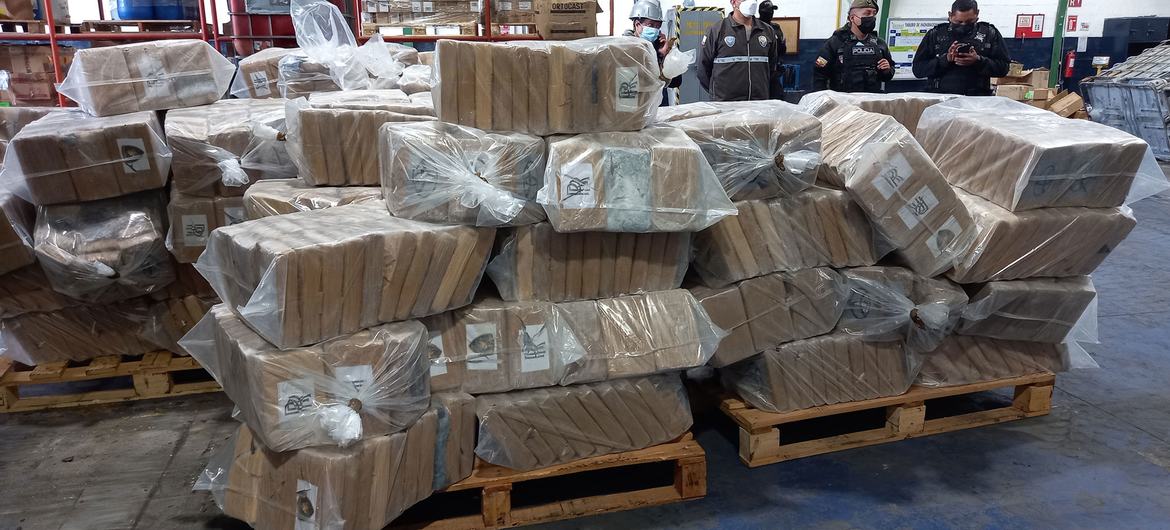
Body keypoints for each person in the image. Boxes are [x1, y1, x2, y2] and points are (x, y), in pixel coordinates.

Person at [911, 0, 1011, 95]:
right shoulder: (935, 35)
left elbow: (1004, 68)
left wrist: (979, 61)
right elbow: (918, 70)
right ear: (950, 16)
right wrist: (944, 60)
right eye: (958, 22)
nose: (963, 25)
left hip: (977, 100)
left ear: (977, 14)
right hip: (940, 98)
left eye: (969, 22)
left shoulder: (990, 34)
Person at [695, 0, 784, 101]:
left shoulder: (767, 32)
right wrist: (718, 94)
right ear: (733, 2)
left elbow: (771, 68)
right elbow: (703, 70)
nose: (751, 2)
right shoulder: (716, 31)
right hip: (726, 105)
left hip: (758, 104)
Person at [812, 0, 894, 93]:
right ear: (852, 18)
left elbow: (888, 74)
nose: (872, 17)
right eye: (867, 13)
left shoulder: (879, 44)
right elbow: (819, 75)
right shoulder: (835, 43)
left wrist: (887, 70)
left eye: (874, 13)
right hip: (842, 103)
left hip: (872, 102)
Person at [623, 0, 682, 106]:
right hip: (635, 107)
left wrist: (667, 55)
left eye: (658, 26)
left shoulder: (659, 45)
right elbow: (632, 83)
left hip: (659, 107)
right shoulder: (625, 47)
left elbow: (676, 82)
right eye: (651, 25)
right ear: (637, 25)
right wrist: (657, 55)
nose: (655, 30)